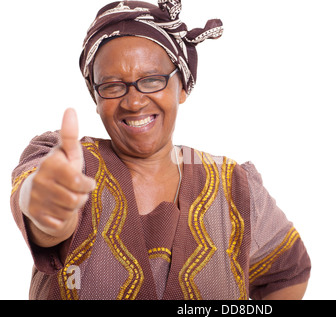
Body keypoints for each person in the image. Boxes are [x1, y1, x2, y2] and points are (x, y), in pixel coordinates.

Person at [10, 0, 310, 300]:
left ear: (182, 86)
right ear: (95, 96)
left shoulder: (235, 187)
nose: (134, 101)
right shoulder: (63, 158)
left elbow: (287, 272)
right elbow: (38, 206)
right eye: (113, 86)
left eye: (151, 80)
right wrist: (47, 210)